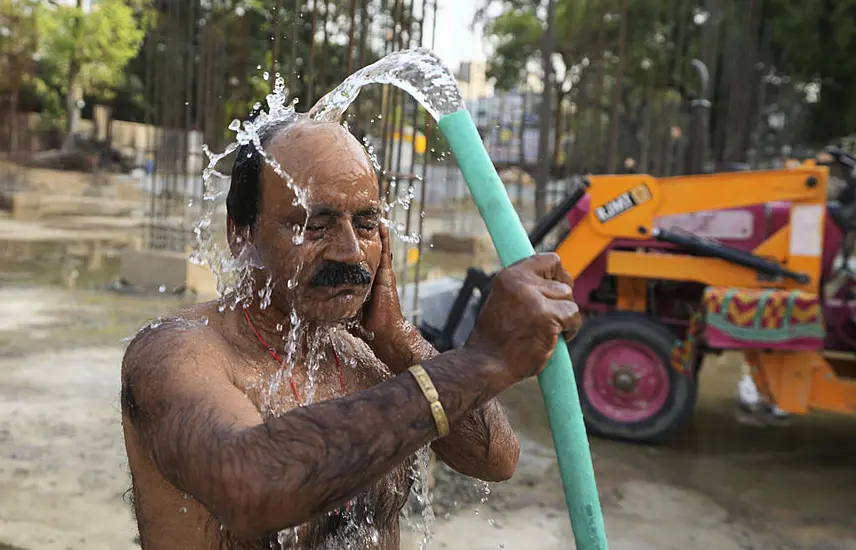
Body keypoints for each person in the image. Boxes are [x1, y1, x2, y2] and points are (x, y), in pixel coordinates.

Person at [120, 115, 582, 550]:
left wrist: (399, 339)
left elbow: (495, 459)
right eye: (314, 225)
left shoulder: (373, 357)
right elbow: (251, 486)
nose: (349, 252)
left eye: (365, 225)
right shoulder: (179, 353)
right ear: (241, 233)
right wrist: (482, 361)